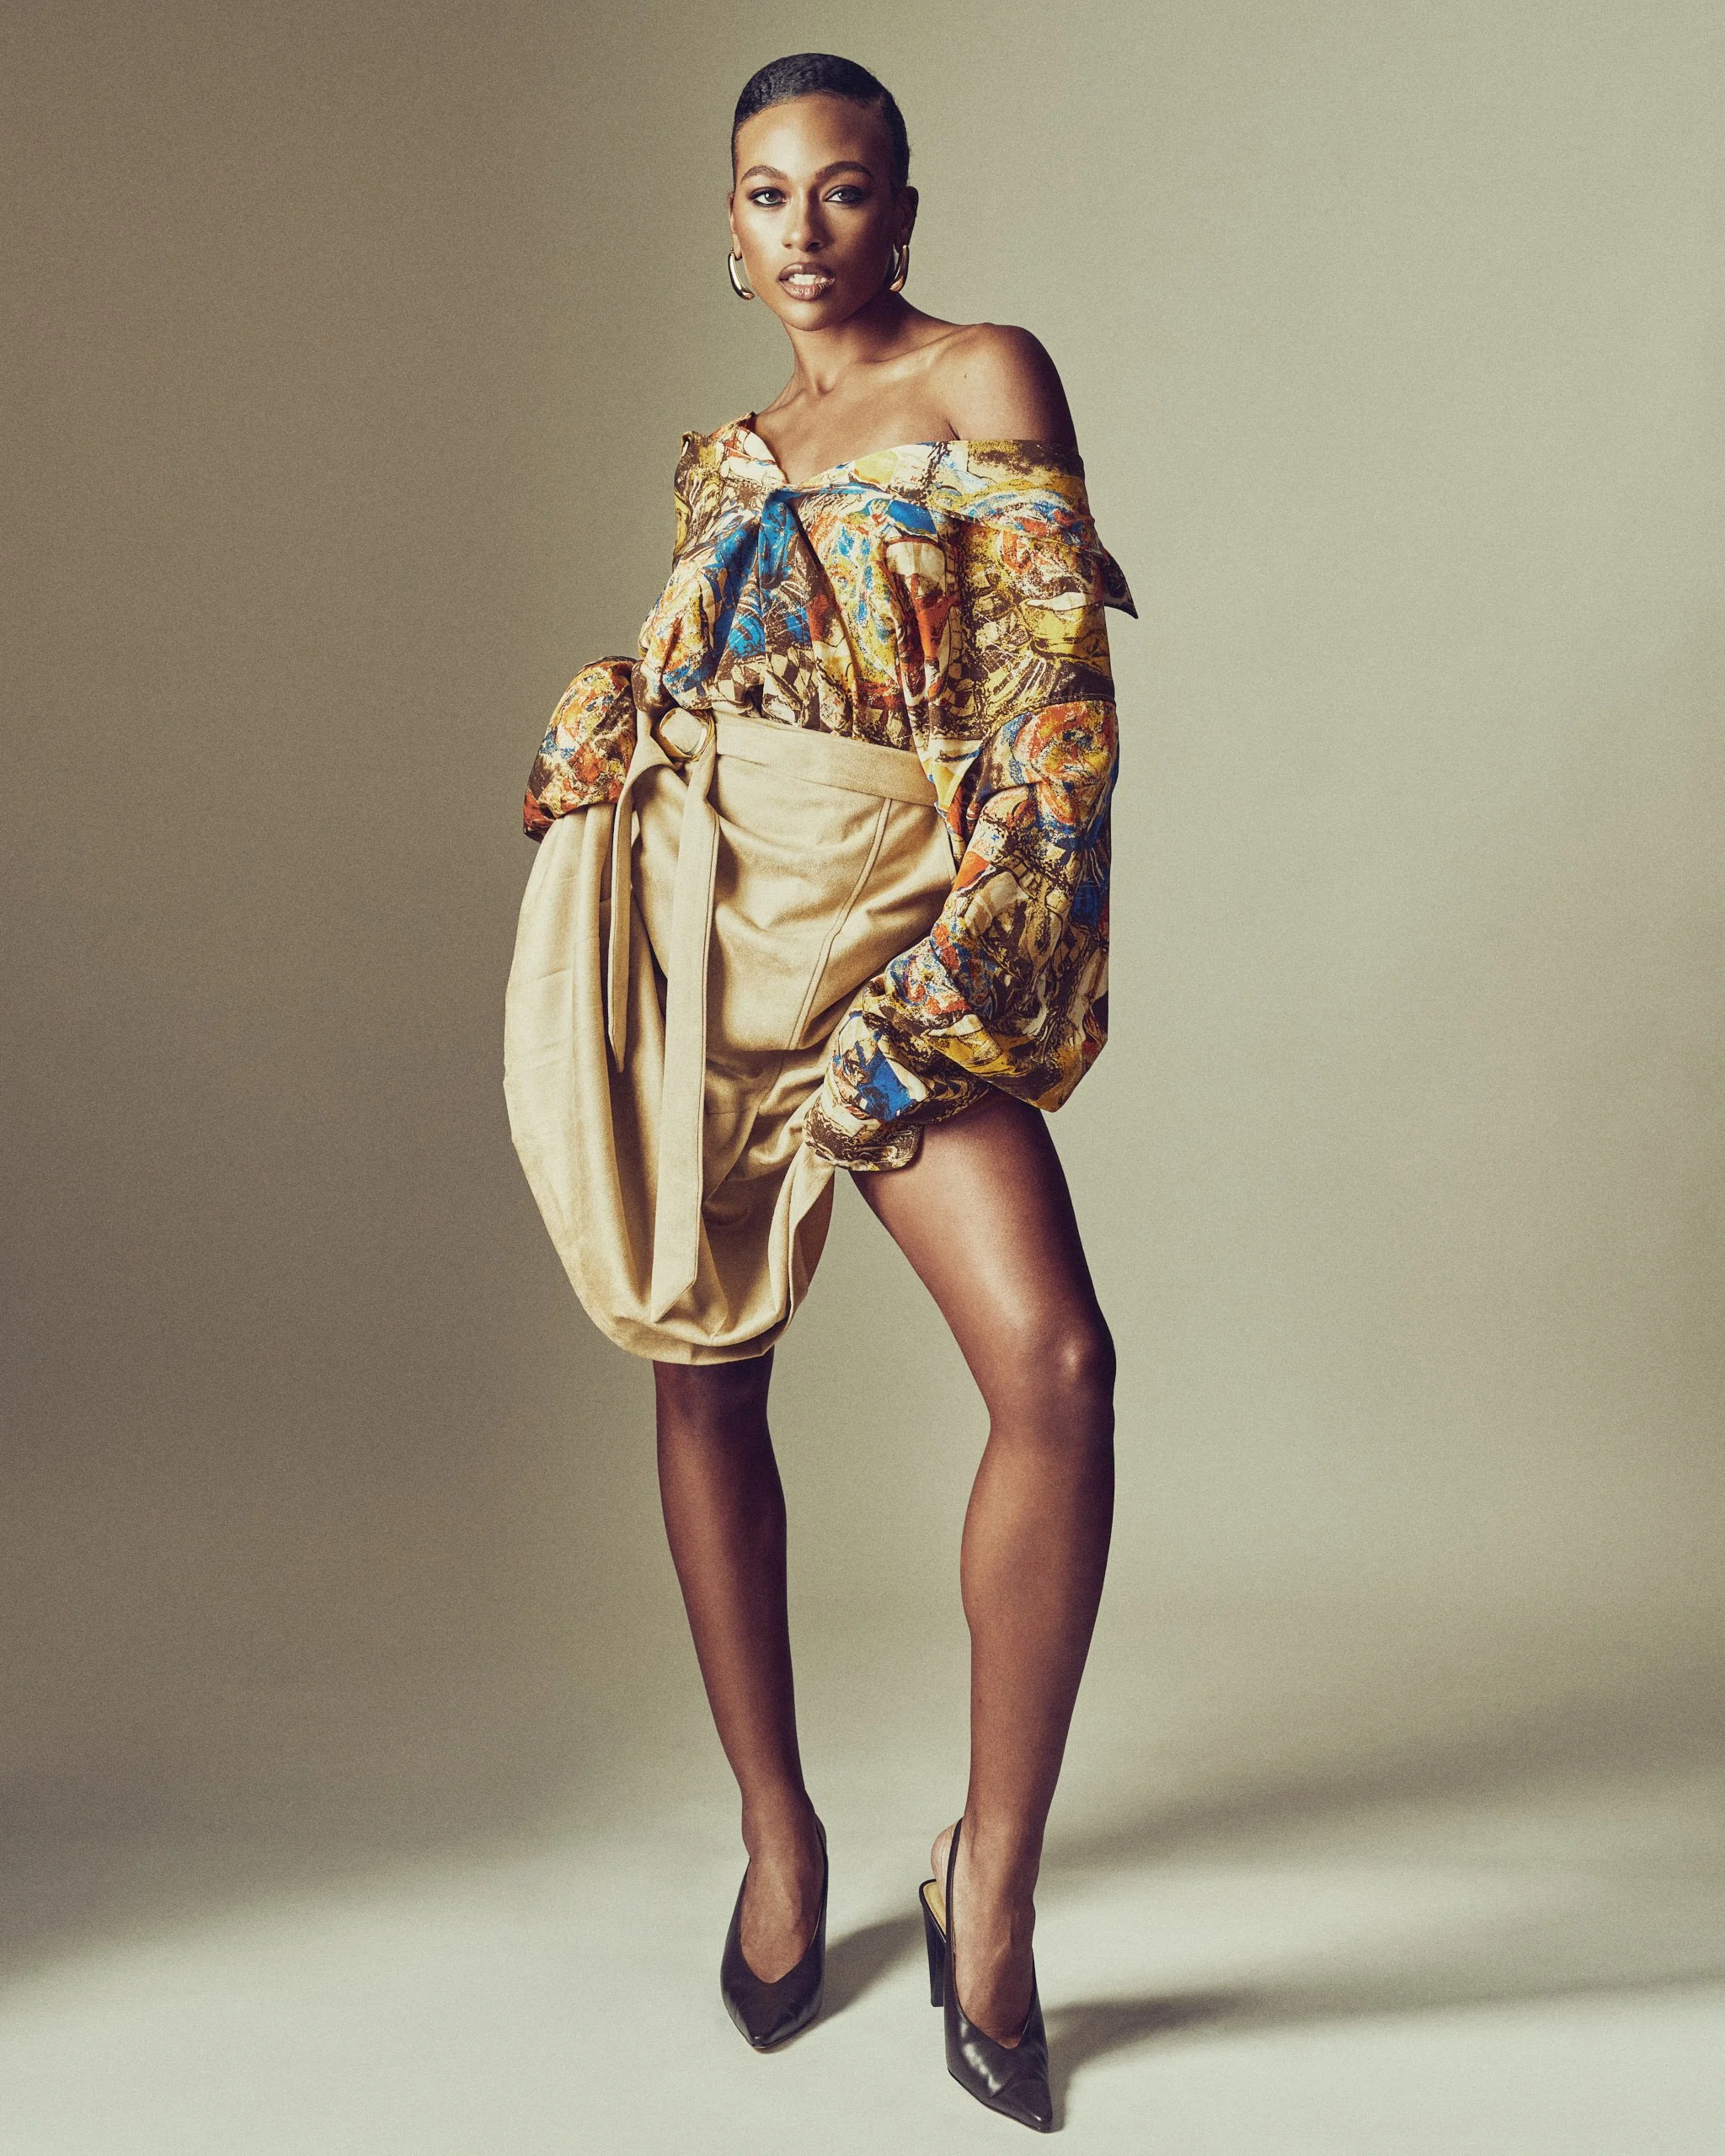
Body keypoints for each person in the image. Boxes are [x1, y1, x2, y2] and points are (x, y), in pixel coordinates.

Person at [504, 51, 1134, 2132]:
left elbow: (1052, 706)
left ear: (902, 205)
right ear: (729, 222)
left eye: (840, 191)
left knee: (1052, 1360)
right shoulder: (732, 453)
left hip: (900, 925)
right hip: (717, 928)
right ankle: (779, 1835)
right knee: (705, 1370)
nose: (802, 232)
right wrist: (613, 718)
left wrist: (950, 988)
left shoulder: (982, 376)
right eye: (765, 197)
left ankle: (996, 1887)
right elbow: (730, 664)